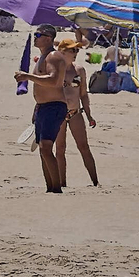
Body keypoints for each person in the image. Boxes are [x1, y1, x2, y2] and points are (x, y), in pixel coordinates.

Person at [15, 25, 74, 193]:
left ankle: (57, 189)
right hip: (43, 107)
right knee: (43, 149)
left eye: (38, 35)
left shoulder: (54, 56)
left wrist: (27, 76)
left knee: (46, 148)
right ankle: (50, 188)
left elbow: (54, 81)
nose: (35, 37)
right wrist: (36, 109)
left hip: (54, 107)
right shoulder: (42, 57)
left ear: (48, 38)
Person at [53, 37, 99, 186]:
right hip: (58, 114)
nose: (76, 52)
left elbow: (83, 94)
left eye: (77, 50)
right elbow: (45, 93)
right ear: (62, 52)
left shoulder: (79, 70)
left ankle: (95, 182)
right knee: (60, 149)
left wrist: (89, 115)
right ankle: (62, 184)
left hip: (75, 113)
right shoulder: (54, 70)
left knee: (84, 147)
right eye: (72, 50)